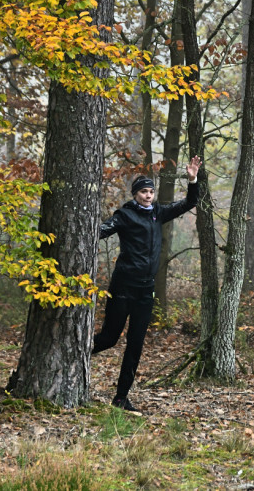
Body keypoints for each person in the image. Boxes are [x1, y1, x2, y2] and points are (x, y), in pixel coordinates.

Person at [93, 155, 201, 412]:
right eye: (144, 192)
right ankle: (73, 358)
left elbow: (189, 202)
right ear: (135, 194)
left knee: (136, 343)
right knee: (109, 339)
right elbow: (100, 230)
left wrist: (193, 179)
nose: (149, 196)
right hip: (123, 287)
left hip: (145, 290)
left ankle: (121, 398)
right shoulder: (125, 215)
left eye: (151, 192)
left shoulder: (158, 213)